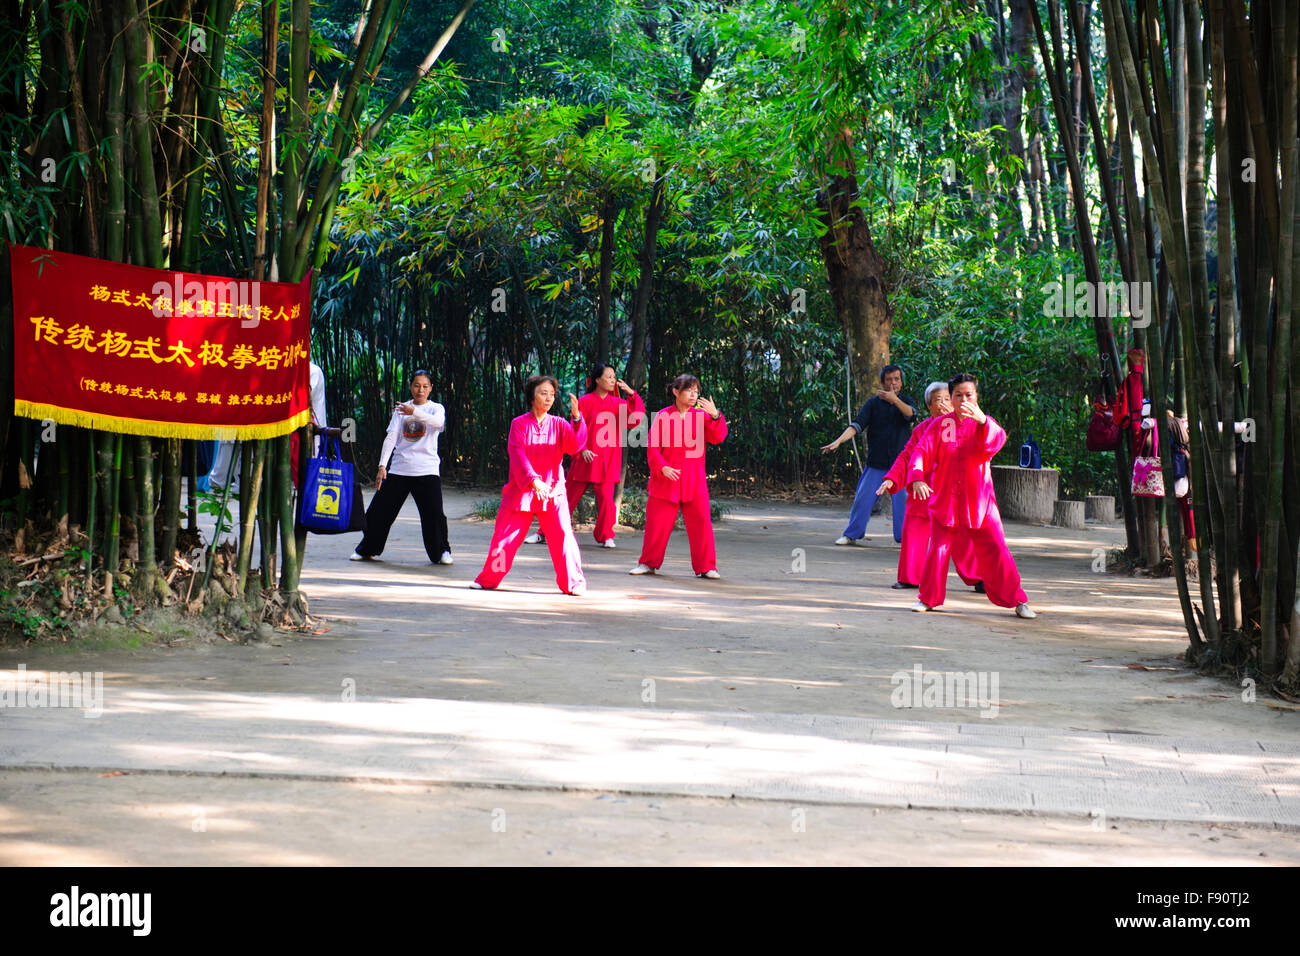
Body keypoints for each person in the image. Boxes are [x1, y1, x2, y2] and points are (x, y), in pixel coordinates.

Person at [905, 373, 1036, 619]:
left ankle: (1018, 600)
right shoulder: (940, 425)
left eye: (969, 394)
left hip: (980, 502)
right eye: (958, 395)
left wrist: (982, 422)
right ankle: (927, 598)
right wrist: (918, 477)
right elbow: (921, 452)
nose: (964, 399)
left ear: (976, 396)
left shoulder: (986, 423)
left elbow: (995, 442)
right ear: (951, 398)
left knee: (997, 548)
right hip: (946, 501)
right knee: (939, 550)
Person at [472, 375, 587, 595]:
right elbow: (517, 453)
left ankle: (573, 584)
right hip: (522, 490)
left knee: (563, 537)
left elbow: (574, 447)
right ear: (531, 395)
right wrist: (533, 479)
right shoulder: (519, 423)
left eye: (552, 394)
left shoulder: (560, 424)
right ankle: (488, 579)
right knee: (505, 538)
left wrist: (577, 418)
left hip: (553, 491)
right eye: (543, 393)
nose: (549, 398)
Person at [876, 381, 982, 592]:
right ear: (929, 406)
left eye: (946, 399)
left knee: (961, 538)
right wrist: (892, 478)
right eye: (937, 400)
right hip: (921, 490)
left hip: (950, 493)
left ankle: (978, 578)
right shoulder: (922, 429)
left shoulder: (967, 425)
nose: (942, 404)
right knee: (914, 530)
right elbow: (907, 455)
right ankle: (909, 577)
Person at [526, 364, 645, 549]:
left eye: (614, 377)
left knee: (607, 501)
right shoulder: (585, 401)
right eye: (609, 377)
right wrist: (582, 449)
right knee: (566, 498)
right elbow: (575, 427)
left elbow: (636, 418)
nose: (613, 380)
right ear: (597, 380)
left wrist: (632, 394)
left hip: (607, 459)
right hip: (584, 458)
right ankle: (544, 532)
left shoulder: (618, 403)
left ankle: (605, 535)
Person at [629, 375, 728, 578]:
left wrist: (716, 416)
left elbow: (718, 437)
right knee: (657, 525)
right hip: (666, 479)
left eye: (696, 391)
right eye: (689, 390)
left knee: (701, 524)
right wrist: (662, 467)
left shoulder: (702, 416)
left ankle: (707, 567)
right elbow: (653, 447)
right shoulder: (663, 416)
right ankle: (648, 563)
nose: (694, 394)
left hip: (694, 480)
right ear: (676, 391)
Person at [350, 369, 452, 566]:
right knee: (379, 512)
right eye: (416, 385)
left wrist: (414, 411)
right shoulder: (400, 410)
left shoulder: (436, 408)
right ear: (410, 386)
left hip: (427, 469)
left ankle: (442, 552)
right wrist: (382, 466)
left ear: (430, 388)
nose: (420, 390)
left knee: (434, 515)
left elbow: (438, 423)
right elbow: (391, 437)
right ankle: (366, 549)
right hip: (400, 468)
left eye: (424, 386)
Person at [821, 364, 916, 545]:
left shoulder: (907, 402)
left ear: (901, 383)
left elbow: (911, 415)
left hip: (901, 465)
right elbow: (857, 425)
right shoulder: (872, 404)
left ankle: (906, 540)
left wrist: (895, 400)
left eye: (896, 379)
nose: (893, 383)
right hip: (876, 463)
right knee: (863, 498)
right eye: (889, 379)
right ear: (882, 382)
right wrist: (839, 441)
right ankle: (851, 535)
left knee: (903, 502)